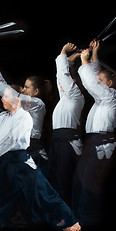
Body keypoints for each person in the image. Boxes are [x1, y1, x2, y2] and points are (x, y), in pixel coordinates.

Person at [0, 85, 81, 231]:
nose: (2, 99)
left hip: (19, 160)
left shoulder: (24, 116)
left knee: (41, 192)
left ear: (17, 98)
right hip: (2, 160)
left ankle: (70, 221)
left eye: (6, 96)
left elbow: (11, 139)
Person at [72, 40, 116, 227]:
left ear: (109, 83)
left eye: (101, 81)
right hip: (92, 142)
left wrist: (83, 60)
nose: (97, 83)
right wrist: (94, 54)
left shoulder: (113, 96)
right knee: (81, 180)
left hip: (103, 143)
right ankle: (81, 218)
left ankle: (87, 221)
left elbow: (92, 83)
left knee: (90, 182)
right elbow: (94, 79)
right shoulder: (102, 99)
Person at [0, 58, 50, 172]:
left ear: (36, 92)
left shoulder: (37, 104)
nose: (23, 90)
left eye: (26, 87)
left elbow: (12, 96)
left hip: (32, 152)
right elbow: (7, 90)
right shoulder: (23, 104)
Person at [47, 42, 85, 207]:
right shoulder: (66, 97)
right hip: (58, 142)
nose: (68, 80)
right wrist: (73, 58)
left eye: (72, 77)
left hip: (67, 143)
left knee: (65, 181)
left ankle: (71, 217)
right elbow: (60, 78)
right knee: (55, 180)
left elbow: (63, 76)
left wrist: (63, 52)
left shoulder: (77, 96)